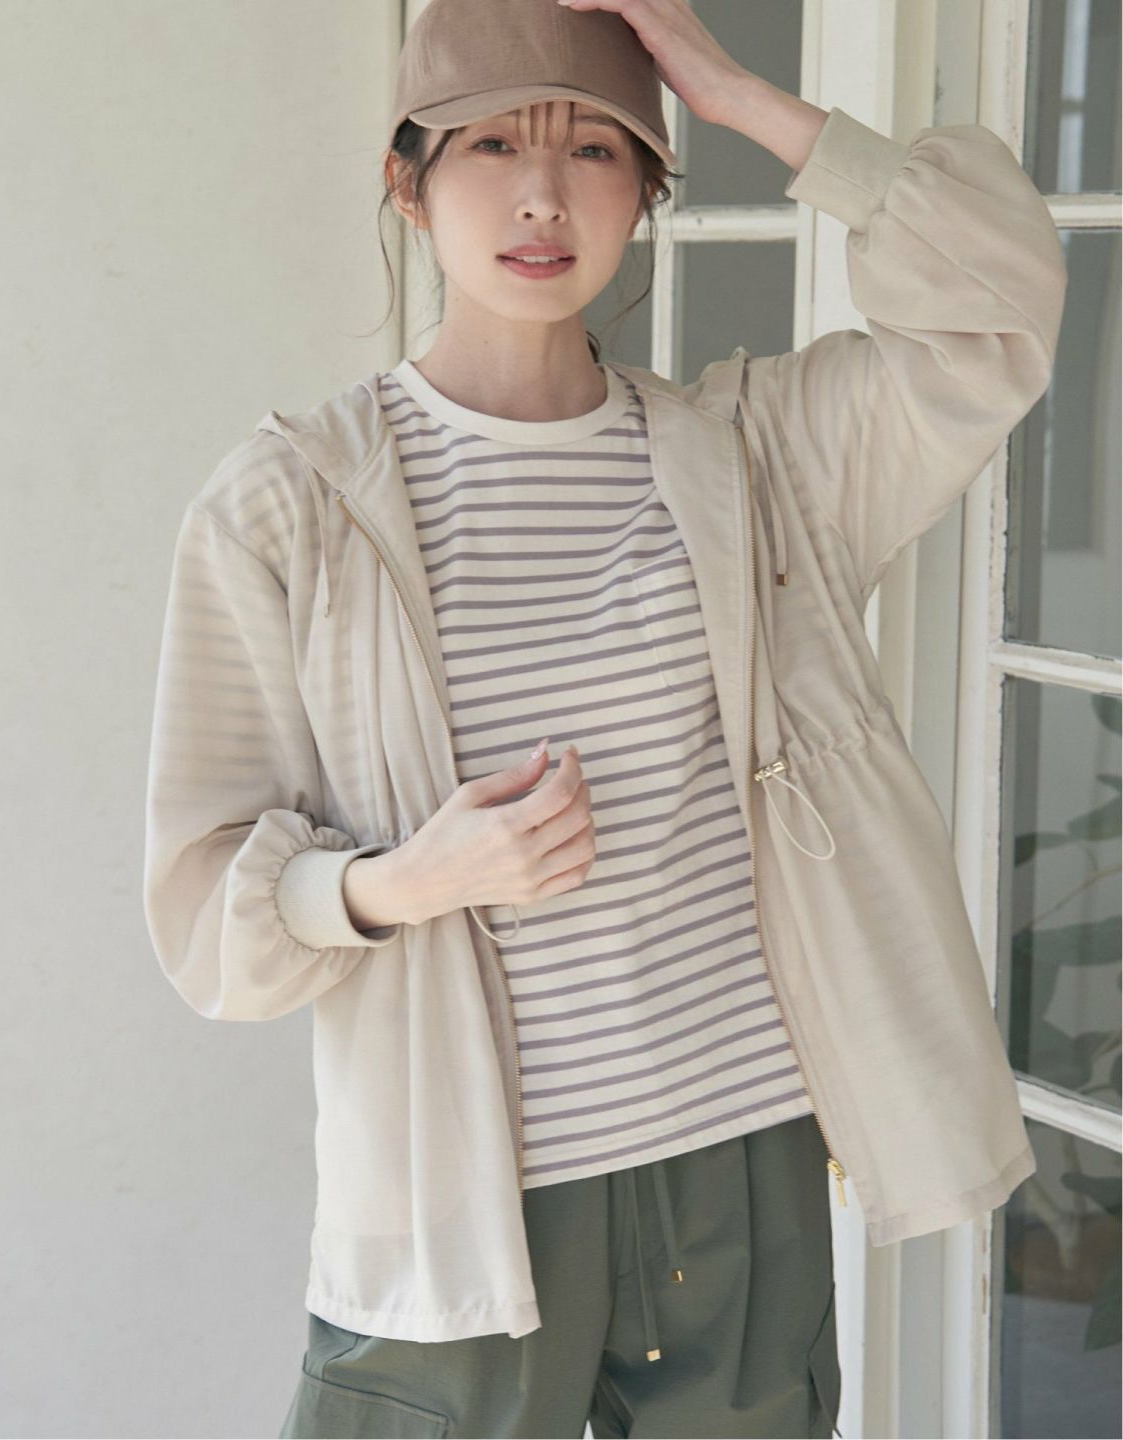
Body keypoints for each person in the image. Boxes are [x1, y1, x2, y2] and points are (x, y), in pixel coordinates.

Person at [141, 0, 1067, 1435]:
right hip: (461, 1200)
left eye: (595, 148)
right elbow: (205, 915)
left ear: (647, 188)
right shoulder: (292, 503)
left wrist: (735, 92)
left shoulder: (760, 461)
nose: (542, 194)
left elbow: (998, 305)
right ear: (407, 181)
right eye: (491, 145)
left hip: (738, 1158)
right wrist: (404, 883)